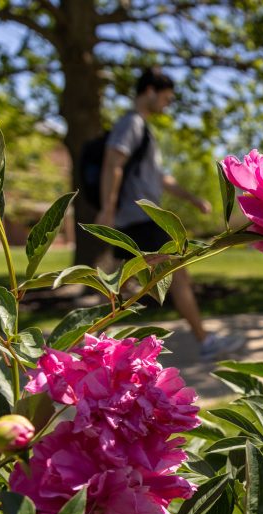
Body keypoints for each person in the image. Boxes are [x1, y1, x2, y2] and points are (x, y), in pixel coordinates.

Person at [98, 68, 245, 360]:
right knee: (176, 276)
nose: (167, 105)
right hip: (139, 217)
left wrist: (192, 199)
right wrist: (107, 208)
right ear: (150, 91)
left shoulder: (144, 129)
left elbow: (162, 178)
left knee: (128, 281)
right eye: (166, 98)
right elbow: (113, 163)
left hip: (140, 218)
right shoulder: (131, 123)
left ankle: (96, 344)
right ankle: (206, 342)